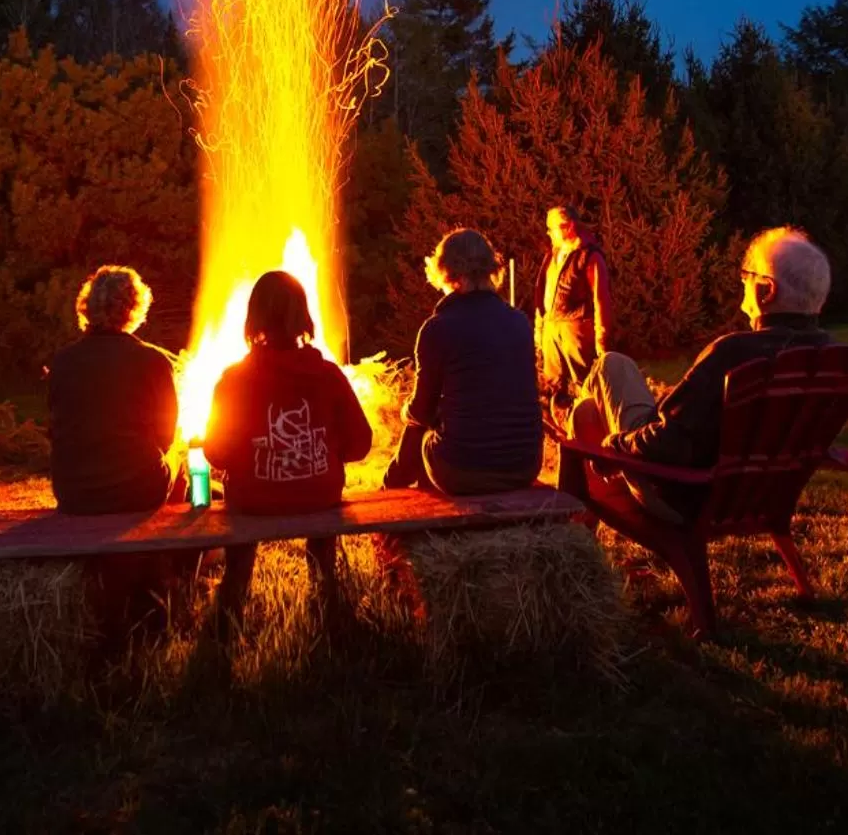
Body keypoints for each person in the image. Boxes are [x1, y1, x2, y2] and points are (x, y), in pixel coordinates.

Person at [570, 226, 834, 522]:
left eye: (747, 275)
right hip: (764, 499)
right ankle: (576, 517)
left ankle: (569, 515)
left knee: (611, 365)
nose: (743, 283)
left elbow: (669, 444)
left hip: (684, 496)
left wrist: (617, 444)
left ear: (766, 290)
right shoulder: (832, 357)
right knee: (587, 411)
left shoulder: (733, 353)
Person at [203, 271, 372, 624]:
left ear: (253, 318)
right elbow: (361, 443)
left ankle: (231, 604)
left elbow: (215, 451)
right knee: (318, 509)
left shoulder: (234, 380)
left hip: (253, 499)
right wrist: (324, 453)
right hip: (319, 493)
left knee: (241, 519)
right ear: (303, 317)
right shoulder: (328, 376)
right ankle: (327, 599)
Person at [384, 228, 544, 495]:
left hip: (463, 470)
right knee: (446, 416)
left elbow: (422, 410)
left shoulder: (437, 328)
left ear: (445, 272)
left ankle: (394, 490)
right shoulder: (519, 322)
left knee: (421, 427)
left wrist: (405, 412)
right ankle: (394, 487)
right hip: (524, 465)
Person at [44, 265, 178, 516]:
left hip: (74, 493)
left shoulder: (62, 361)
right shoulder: (153, 361)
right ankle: (176, 529)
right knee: (178, 458)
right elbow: (166, 436)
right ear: (135, 308)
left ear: (87, 307)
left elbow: (55, 428)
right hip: (139, 491)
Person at [537, 204, 611, 410]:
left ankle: (590, 422)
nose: (548, 233)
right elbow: (542, 293)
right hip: (552, 329)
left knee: (584, 385)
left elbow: (601, 299)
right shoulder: (552, 255)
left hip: (576, 330)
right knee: (552, 387)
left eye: (551, 228)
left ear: (568, 227)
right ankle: (561, 423)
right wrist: (540, 330)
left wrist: (601, 341)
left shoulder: (589, 256)